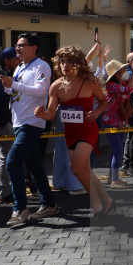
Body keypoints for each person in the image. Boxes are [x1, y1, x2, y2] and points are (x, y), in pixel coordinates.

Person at [35, 46, 114, 216]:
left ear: (78, 63)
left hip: (88, 129)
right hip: (70, 132)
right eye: (62, 61)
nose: (65, 65)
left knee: (76, 167)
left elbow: (104, 101)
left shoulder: (89, 82)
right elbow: (50, 114)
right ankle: (105, 201)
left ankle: (98, 201)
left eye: (69, 61)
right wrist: (42, 114)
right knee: (84, 170)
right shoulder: (56, 87)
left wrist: (97, 112)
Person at [0, 32, 59, 228]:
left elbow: (41, 91)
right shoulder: (21, 67)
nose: (18, 48)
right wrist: (7, 87)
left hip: (32, 122)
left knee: (13, 161)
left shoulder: (42, 66)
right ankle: (49, 203)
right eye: (16, 45)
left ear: (34, 47)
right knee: (34, 165)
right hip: (19, 121)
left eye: (22, 45)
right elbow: (17, 91)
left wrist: (14, 84)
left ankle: (20, 208)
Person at [0, 47, 20, 203]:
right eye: (16, 58)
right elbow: (1, 101)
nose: (19, 59)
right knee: (6, 156)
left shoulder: (16, 74)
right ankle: (5, 191)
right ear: (8, 60)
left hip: (14, 120)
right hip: (4, 121)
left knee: (6, 155)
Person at [102, 58, 133, 188]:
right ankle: (115, 181)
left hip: (120, 121)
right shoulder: (112, 85)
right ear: (116, 73)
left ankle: (113, 178)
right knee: (118, 151)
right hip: (111, 122)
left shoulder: (121, 82)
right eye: (122, 69)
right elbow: (130, 90)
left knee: (117, 150)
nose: (124, 71)